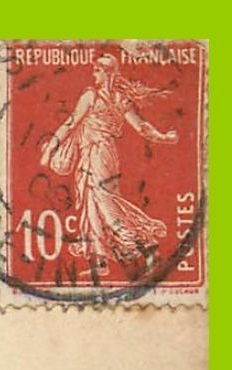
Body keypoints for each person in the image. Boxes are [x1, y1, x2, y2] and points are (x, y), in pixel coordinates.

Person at [40, 54, 179, 277]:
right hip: (103, 155)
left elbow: (71, 122)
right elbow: (142, 127)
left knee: (103, 202)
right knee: (91, 202)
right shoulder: (120, 99)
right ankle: (99, 261)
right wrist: (162, 137)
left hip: (97, 153)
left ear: (107, 73)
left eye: (97, 70)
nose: (93, 74)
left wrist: (50, 149)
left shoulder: (91, 96)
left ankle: (141, 245)